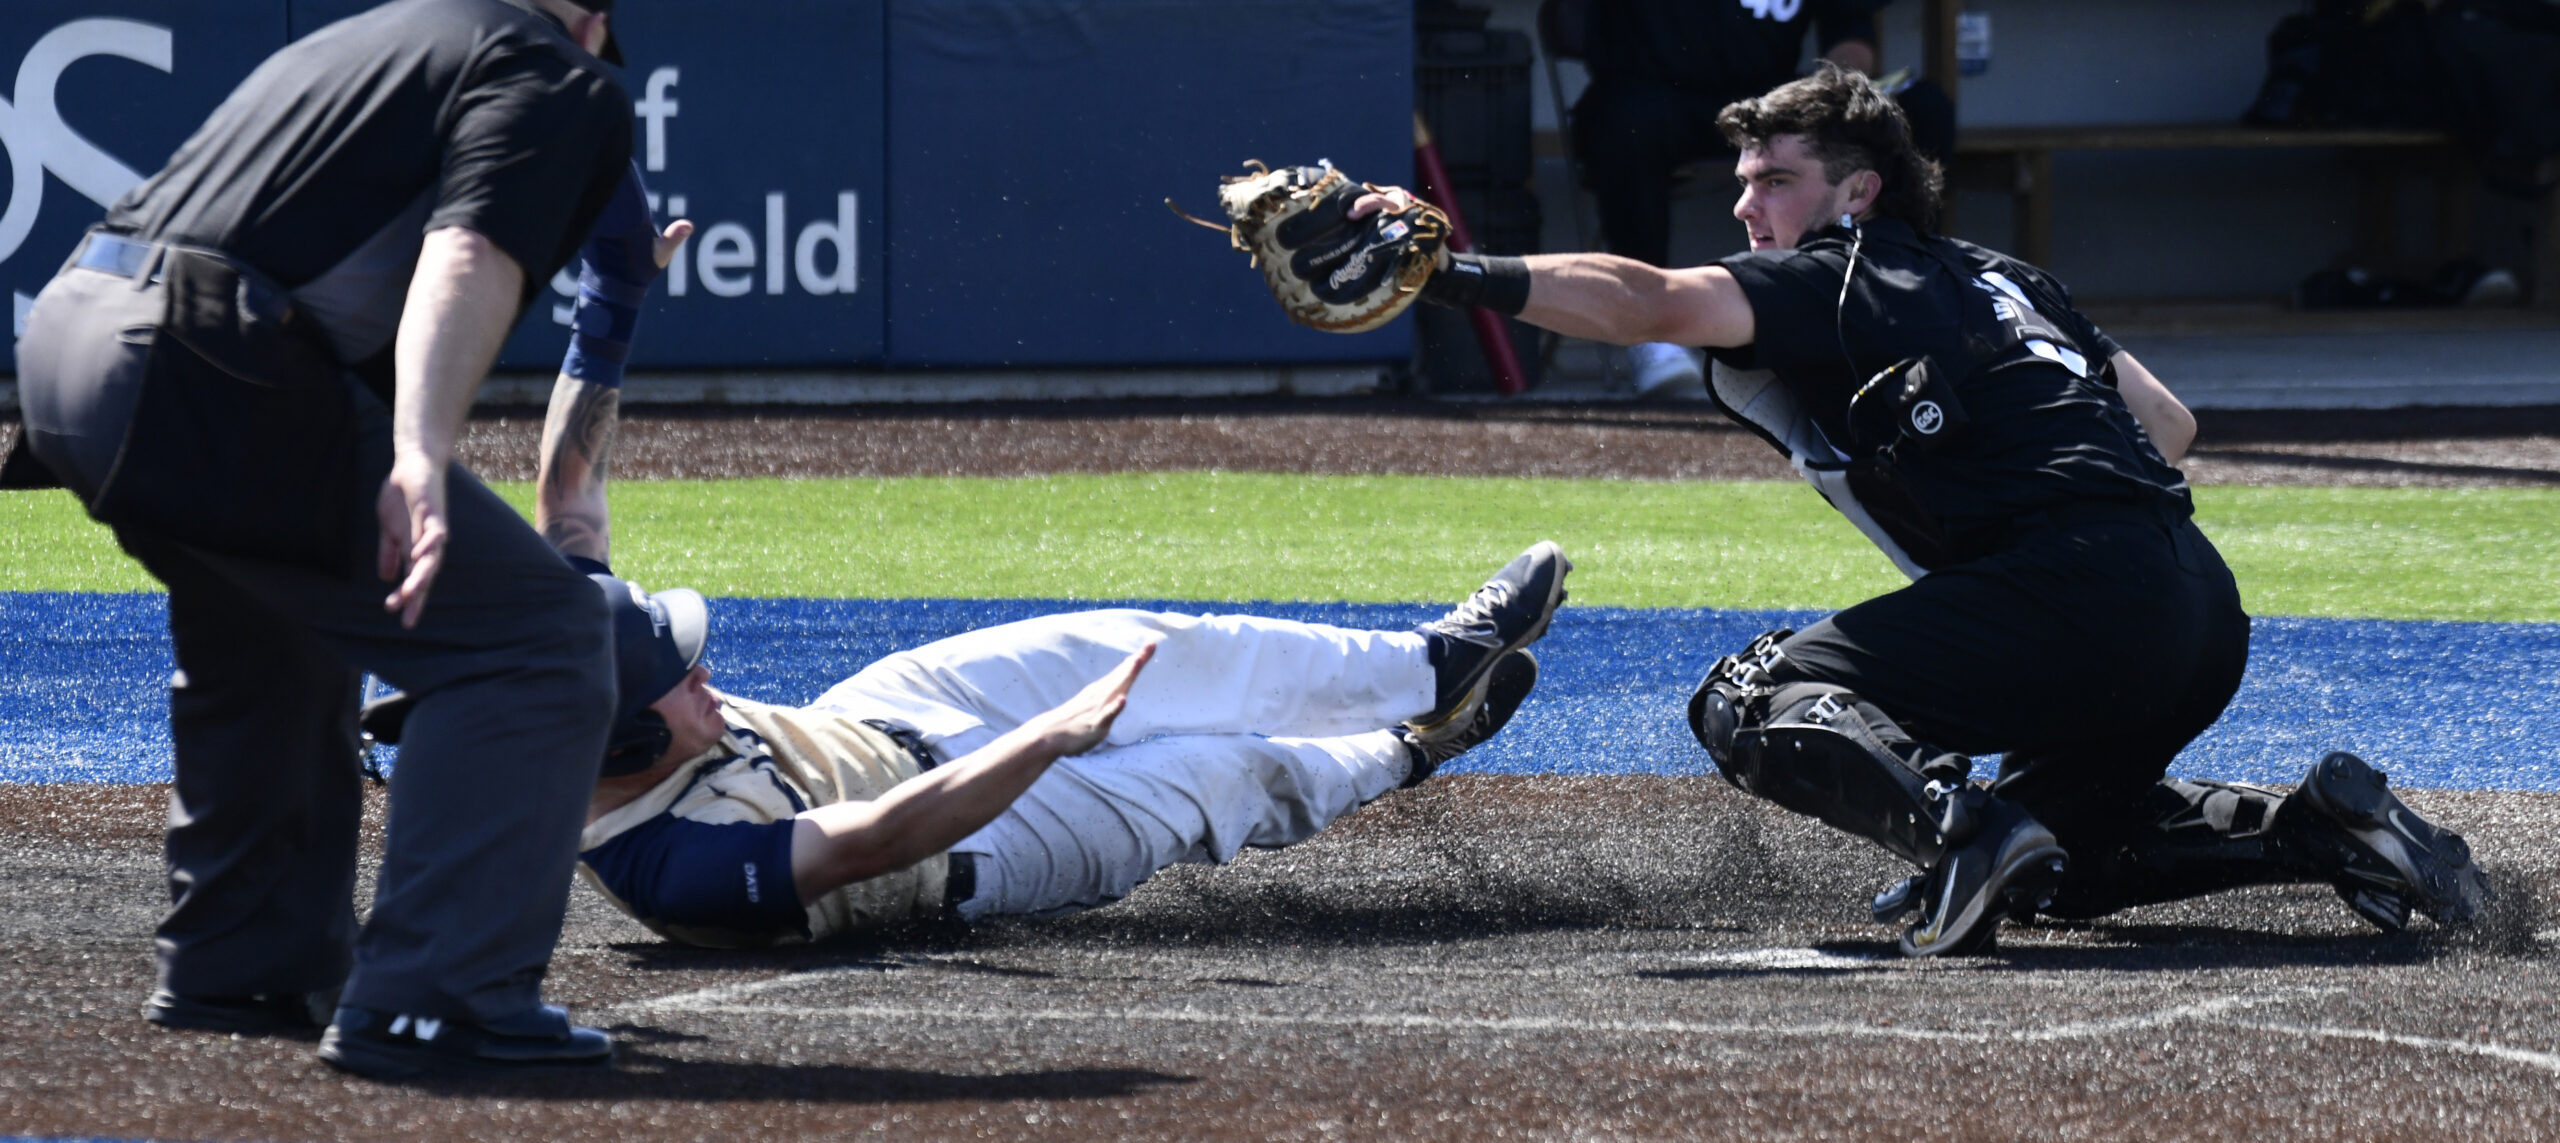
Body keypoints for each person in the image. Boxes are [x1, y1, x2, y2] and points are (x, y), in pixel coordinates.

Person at [1378, 64, 2489, 955]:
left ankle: (1961, 828)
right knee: (2068, 864)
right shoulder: (2003, 274)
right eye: (1744, 177)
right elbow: (2170, 424)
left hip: (2071, 590)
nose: (1744, 202)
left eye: (1773, 177)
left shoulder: (1837, 274)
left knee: (1752, 698)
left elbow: (1646, 299)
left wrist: (1456, 271)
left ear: (1856, 189)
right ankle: (2321, 831)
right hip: (2199, 608)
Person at [1, 0, 693, 1077]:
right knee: (541, 638)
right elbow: (465, 253)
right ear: (597, 27)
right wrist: (419, 450)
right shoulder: (560, 71)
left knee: (272, 636)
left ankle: (243, 965)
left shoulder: (375, 34)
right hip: (204, 358)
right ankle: (437, 1001)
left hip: (71, 336)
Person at [366, 385, 1570, 943]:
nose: (706, 679)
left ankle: (1430, 661)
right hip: (972, 852)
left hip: (883, 715)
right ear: (619, 742)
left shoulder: (585, 688)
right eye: (678, 683)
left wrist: (613, 293)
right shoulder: (665, 868)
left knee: (1148, 641)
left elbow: (568, 497)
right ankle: (1415, 746)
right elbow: (878, 841)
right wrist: (1045, 741)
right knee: (1230, 774)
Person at [1551, 0, 1949, 398]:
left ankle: (1899, 302)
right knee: (1626, 127)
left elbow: (1849, 33)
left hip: (1771, 104)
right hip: (1653, 89)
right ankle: (1648, 331)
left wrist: (1833, 99)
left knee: (1921, 109)